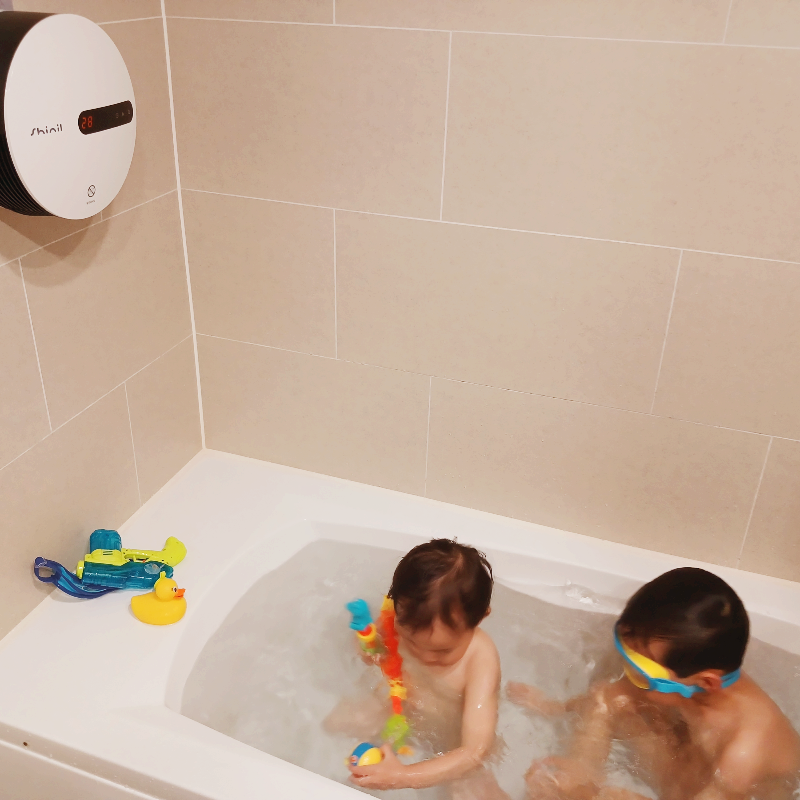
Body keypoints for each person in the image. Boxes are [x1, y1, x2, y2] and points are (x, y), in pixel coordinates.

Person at [508, 567, 800, 800]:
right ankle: (580, 772)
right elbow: (615, 694)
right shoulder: (694, 680)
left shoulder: (743, 754)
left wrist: (596, 796)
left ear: (705, 682)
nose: (629, 677)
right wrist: (559, 709)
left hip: (716, 791)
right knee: (606, 697)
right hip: (688, 759)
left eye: (641, 672)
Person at [324, 538, 508, 798]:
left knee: (471, 793)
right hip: (398, 706)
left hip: (452, 739)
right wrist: (368, 650)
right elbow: (374, 647)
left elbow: (475, 750)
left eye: (442, 650)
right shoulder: (396, 618)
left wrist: (404, 776)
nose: (424, 656)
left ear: (480, 618)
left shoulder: (480, 659)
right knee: (334, 723)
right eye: (411, 642)